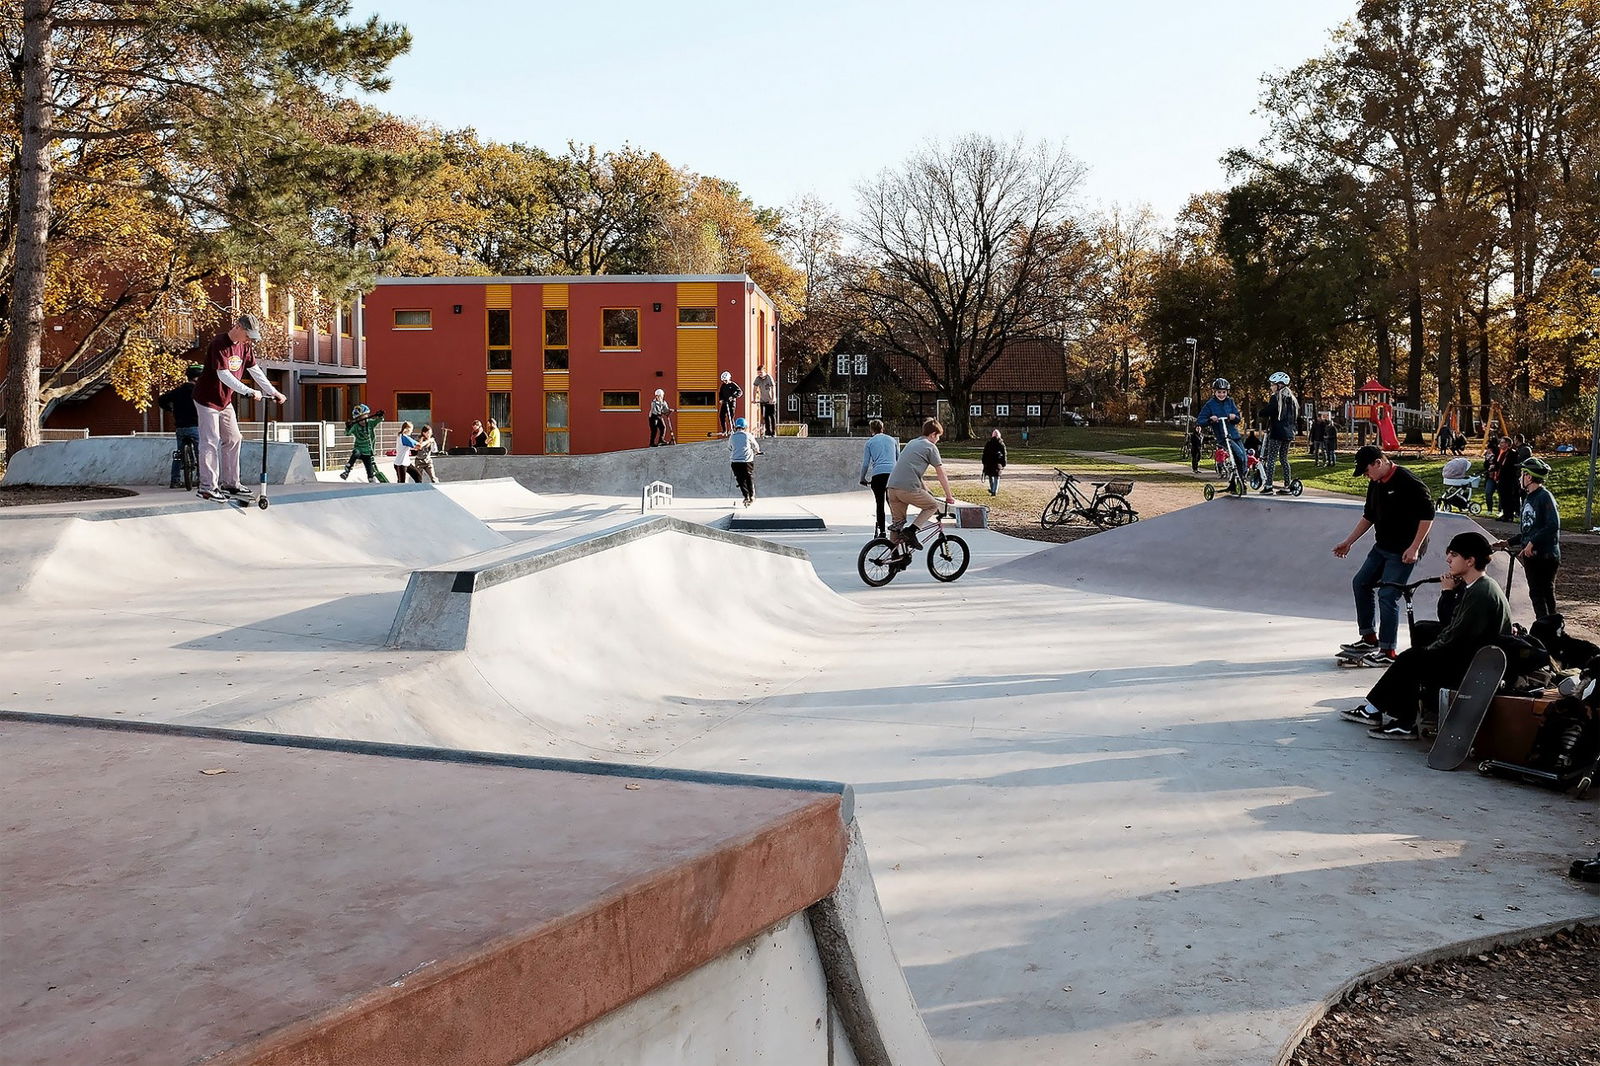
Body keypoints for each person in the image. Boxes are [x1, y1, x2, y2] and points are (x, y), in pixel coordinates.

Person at [1341, 530, 1512, 738]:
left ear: (1470, 561)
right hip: (1473, 654)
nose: (1448, 559)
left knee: (1412, 659)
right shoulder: (1477, 586)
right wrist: (1450, 593)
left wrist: (1427, 650)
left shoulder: (1480, 593)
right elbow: (1451, 623)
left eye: (1454, 555)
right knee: (1422, 632)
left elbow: (1457, 633)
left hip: (1474, 665)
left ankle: (1400, 721)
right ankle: (1375, 709)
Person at [1332, 445, 1437, 666]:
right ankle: (1369, 638)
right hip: (1382, 546)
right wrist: (1348, 542)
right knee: (1361, 583)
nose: (1367, 476)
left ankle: (1388, 651)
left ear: (1378, 463)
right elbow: (1369, 516)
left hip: (1404, 550)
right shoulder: (1375, 483)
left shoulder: (1408, 482)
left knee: (1388, 595)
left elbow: (1428, 514)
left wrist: (1415, 547)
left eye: (1367, 470)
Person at [191, 313, 286, 502]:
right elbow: (223, 375)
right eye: (248, 334)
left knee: (234, 438)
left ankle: (231, 483)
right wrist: (248, 392)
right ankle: (207, 487)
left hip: (224, 401)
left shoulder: (245, 346)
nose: (249, 339)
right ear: (238, 327)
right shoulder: (220, 343)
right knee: (211, 440)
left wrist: (273, 391)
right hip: (207, 400)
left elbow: (255, 370)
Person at [1496, 457, 1560, 621]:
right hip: (1532, 554)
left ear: (1529, 477)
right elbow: (1529, 530)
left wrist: (1532, 543)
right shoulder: (1529, 498)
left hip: (1545, 555)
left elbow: (1553, 525)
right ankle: (1545, 626)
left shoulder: (1544, 497)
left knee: (1543, 593)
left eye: (1522, 474)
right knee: (1536, 593)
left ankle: (1550, 629)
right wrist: (1508, 542)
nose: (1519, 478)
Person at [885, 417, 955, 553]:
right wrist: (949, 496)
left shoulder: (912, 442)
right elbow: (941, 474)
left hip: (892, 487)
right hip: (907, 489)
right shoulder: (930, 447)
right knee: (933, 505)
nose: (938, 440)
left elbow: (913, 471)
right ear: (933, 434)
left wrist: (926, 490)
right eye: (938, 436)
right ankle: (911, 531)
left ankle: (894, 559)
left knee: (897, 524)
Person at [1196, 379, 1247, 489]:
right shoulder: (1210, 404)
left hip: (1234, 434)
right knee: (1239, 454)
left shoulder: (1230, 401)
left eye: (1224, 392)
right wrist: (1210, 419)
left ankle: (1237, 482)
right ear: (1214, 392)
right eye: (1219, 392)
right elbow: (1200, 420)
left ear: (1227, 392)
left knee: (1244, 458)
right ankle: (1240, 482)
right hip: (1223, 436)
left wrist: (1234, 417)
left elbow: (1237, 418)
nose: (1221, 394)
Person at [158, 364, 202, 489]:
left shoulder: (177, 391)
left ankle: (175, 480)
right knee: (200, 452)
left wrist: (170, 408)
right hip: (195, 426)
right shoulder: (199, 392)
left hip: (180, 427)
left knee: (178, 453)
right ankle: (202, 478)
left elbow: (161, 400)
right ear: (197, 378)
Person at [859, 419, 899, 538]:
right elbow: (899, 459)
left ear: (871, 430)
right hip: (892, 475)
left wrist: (862, 478)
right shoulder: (892, 440)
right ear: (883, 428)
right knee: (892, 502)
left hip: (878, 475)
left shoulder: (870, 443)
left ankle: (882, 532)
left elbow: (865, 463)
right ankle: (897, 527)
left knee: (879, 504)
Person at [1262, 371, 1298, 494]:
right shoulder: (1292, 399)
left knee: (1271, 458)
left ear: (1279, 385)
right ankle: (1287, 485)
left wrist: (1261, 412)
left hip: (1276, 433)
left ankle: (1268, 486)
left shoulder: (1276, 397)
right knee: (1284, 459)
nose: (1271, 387)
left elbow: (1268, 411)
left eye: (1272, 384)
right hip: (1288, 434)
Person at [340, 403, 388, 481]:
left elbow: (378, 420)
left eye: (364, 418)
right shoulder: (355, 426)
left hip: (368, 452)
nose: (362, 421)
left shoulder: (370, 423)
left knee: (369, 470)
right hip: (359, 448)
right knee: (356, 453)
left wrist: (380, 415)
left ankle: (371, 479)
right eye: (360, 419)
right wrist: (348, 427)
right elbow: (347, 433)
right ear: (356, 420)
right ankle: (347, 469)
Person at [728, 417, 762, 506]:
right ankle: (752, 496)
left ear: (736, 427)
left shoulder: (732, 436)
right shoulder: (748, 435)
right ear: (745, 427)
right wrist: (757, 451)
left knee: (740, 479)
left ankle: (746, 496)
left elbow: (730, 447)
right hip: (747, 461)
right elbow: (755, 445)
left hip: (735, 462)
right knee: (748, 477)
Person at [1493, 435, 1520, 521]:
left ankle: (1509, 515)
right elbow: (1498, 464)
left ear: (1507, 444)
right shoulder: (1500, 453)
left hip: (1509, 479)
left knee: (1509, 497)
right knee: (1503, 497)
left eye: (1502, 442)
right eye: (1500, 442)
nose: (1500, 444)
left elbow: (1510, 466)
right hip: (1501, 478)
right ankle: (1505, 514)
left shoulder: (1512, 453)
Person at [752, 364, 777, 437]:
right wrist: (754, 399)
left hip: (770, 400)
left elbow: (773, 388)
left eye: (761, 373)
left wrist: (773, 398)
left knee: (772, 415)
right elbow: (755, 388)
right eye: (759, 373)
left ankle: (773, 431)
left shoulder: (769, 378)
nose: (760, 374)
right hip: (763, 400)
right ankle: (768, 431)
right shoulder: (758, 379)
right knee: (765, 416)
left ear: (764, 371)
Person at [981, 429, 1007, 496]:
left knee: (990, 476)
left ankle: (992, 489)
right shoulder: (1001, 444)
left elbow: (984, 453)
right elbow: (1004, 454)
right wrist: (1004, 463)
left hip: (989, 463)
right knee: (996, 477)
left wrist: (984, 462)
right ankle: (994, 490)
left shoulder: (989, 443)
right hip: (998, 463)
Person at [717, 371, 742, 437]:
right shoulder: (723, 385)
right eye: (723, 381)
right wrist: (721, 399)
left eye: (725, 380)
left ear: (729, 378)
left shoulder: (733, 385)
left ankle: (732, 429)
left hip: (731, 403)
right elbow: (720, 393)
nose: (725, 382)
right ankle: (724, 430)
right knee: (721, 416)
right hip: (725, 402)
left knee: (730, 417)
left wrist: (733, 397)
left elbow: (740, 392)